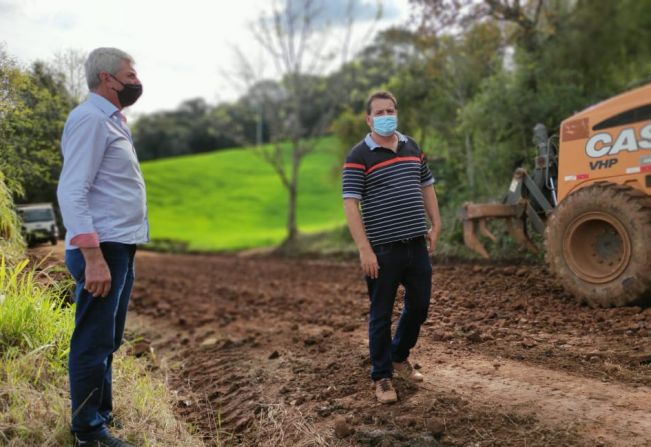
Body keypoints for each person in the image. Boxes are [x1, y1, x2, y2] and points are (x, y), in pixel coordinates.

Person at [57, 47, 147, 447]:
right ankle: (89, 432)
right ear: (107, 79)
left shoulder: (112, 121)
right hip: (102, 249)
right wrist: (92, 256)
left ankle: (100, 415)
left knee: (108, 338)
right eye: (130, 75)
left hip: (119, 246)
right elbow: (72, 190)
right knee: (93, 340)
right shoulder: (90, 120)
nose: (136, 81)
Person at [342, 91, 441, 404]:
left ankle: (399, 355)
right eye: (379, 112)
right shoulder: (359, 155)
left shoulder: (412, 146)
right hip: (382, 250)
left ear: (396, 113)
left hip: (416, 243)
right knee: (381, 313)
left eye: (390, 110)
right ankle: (382, 376)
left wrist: (436, 223)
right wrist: (364, 249)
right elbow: (350, 204)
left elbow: (427, 186)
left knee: (420, 304)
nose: (386, 115)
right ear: (369, 119)